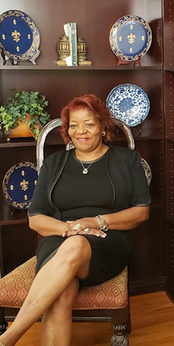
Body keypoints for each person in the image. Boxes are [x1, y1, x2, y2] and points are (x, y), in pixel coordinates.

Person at [0, 94, 150, 346]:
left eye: (89, 124)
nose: (81, 131)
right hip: (58, 240)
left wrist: (96, 221)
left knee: (78, 245)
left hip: (107, 240)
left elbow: (141, 212)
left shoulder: (127, 160)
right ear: (67, 130)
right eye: (74, 125)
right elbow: (35, 218)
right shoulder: (53, 163)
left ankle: (8, 338)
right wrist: (71, 229)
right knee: (60, 294)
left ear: (103, 127)